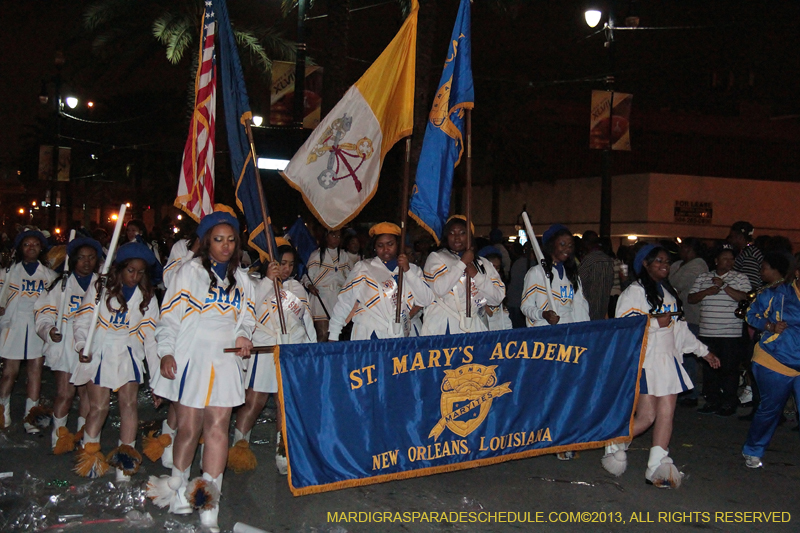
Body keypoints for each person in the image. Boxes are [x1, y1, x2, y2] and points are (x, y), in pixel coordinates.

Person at [149, 211, 254, 532]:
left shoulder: (244, 279)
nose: (225, 246)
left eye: (231, 240)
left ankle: (209, 499)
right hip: (191, 357)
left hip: (224, 362)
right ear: (207, 241)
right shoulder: (188, 272)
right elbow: (168, 317)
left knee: (218, 428)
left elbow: (248, 317)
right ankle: (180, 487)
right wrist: (166, 351)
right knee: (189, 428)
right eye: (218, 239)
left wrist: (243, 335)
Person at [604, 244, 720, 488]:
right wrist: (655, 322)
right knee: (647, 417)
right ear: (645, 264)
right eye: (658, 260)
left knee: (666, 411)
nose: (664, 264)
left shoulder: (668, 294)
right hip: (647, 361)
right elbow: (623, 328)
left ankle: (657, 465)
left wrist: (704, 352)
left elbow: (680, 330)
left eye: (667, 260)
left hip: (668, 361)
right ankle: (616, 440)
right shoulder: (633, 293)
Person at [70, 242, 159, 482]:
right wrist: (82, 346)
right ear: (120, 268)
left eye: (140, 272)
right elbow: (83, 320)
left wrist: (157, 379)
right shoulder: (100, 287)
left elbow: (151, 338)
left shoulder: (148, 296)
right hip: (101, 349)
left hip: (129, 350)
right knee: (99, 407)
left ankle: (125, 463)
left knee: (129, 405)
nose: (135, 276)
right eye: (131, 271)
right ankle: (89, 457)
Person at [230, 242, 315, 476]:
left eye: (290, 264)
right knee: (254, 401)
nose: (285, 269)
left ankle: (283, 452)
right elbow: (249, 309)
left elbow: (306, 322)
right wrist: (268, 280)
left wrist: (310, 349)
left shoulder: (297, 288)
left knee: (284, 402)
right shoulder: (256, 283)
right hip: (265, 348)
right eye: (281, 263)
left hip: (291, 349)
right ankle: (240, 448)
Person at [34, 237, 102, 452]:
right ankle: (59, 436)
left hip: (91, 346)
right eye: (81, 258)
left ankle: (83, 436)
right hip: (65, 346)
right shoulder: (60, 285)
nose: (86, 262)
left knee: (87, 395)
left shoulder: (103, 284)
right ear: (73, 260)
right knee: (65, 393)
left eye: (91, 258)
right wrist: (49, 330)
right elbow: (44, 312)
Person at [329, 223, 434, 341]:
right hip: (371, 333)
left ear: (398, 244)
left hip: (405, 333)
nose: (385, 249)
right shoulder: (363, 268)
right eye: (380, 245)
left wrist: (408, 271)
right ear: (374, 247)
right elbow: (345, 301)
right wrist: (333, 333)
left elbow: (426, 299)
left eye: (390, 244)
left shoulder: (413, 270)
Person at [741, 260, 800, 468]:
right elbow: (750, 314)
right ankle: (753, 450)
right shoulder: (776, 293)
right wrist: (770, 325)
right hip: (774, 360)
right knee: (770, 410)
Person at [0, 230, 57, 433]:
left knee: (35, 371)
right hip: (13, 326)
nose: (31, 247)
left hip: (37, 327)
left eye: (35, 244)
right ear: (20, 248)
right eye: (26, 244)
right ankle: (2, 412)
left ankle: (31, 417)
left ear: (41, 248)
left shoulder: (50, 276)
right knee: (9, 372)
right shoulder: (7, 273)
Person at [689, 245, 751, 416]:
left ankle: (729, 402)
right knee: (710, 369)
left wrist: (724, 286)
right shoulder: (704, 277)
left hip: (730, 332)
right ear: (716, 261)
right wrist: (707, 291)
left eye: (732, 259)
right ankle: (712, 400)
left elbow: (744, 297)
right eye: (725, 258)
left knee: (729, 369)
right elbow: (691, 298)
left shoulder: (740, 278)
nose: (729, 262)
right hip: (708, 330)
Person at [421, 216, 505, 335]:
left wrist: (476, 275)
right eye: (451, 233)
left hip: (474, 325)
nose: (457, 237)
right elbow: (440, 289)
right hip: (444, 325)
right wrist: (462, 264)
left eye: (462, 233)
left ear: (470, 236)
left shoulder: (483, 263)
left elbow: (497, 298)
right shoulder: (436, 257)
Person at [738, 251, 792, 421]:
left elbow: (757, 316)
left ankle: (770, 413)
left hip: (773, 341)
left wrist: (767, 325)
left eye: (764, 268)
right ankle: (762, 409)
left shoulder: (781, 291)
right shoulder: (769, 289)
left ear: (775, 270)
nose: (761, 271)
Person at [521, 224, 590, 328]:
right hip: (545, 334)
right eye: (562, 244)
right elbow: (526, 306)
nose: (567, 249)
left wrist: (583, 331)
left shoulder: (572, 275)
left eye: (570, 246)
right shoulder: (536, 273)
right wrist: (543, 314)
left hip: (568, 333)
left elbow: (580, 307)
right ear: (551, 245)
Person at [668, 237, 708, 407]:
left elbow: (677, 283)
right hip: (682, 315)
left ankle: (691, 393)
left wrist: (671, 281)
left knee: (690, 355)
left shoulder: (698, 265)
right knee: (682, 355)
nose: (680, 250)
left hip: (694, 315)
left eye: (683, 247)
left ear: (690, 249)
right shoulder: (680, 264)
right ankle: (685, 390)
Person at [304, 229, 349, 342]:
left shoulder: (344, 255)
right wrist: (310, 286)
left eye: (339, 236)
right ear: (326, 236)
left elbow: (350, 278)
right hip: (321, 297)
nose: (336, 239)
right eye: (333, 235)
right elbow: (306, 277)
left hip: (337, 298)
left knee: (336, 334)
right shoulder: (317, 255)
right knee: (323, 333)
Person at [577, 230, 614, 320]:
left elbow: (579, 282)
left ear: (586, 242)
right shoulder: (608, 259)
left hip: (590, 306)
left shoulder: (589, 260)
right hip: (604, 305)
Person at [478, 246, 513, 331]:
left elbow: (503, 313)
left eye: (497, 267)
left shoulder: (499, 286)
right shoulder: (477, 282)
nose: (495, 271)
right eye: (492, 267)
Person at [728, 221, 763, 291]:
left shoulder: (749, 255)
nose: (730, 240)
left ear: (740, 237)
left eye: (731, 236)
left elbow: (750, 284)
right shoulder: (747, 252)